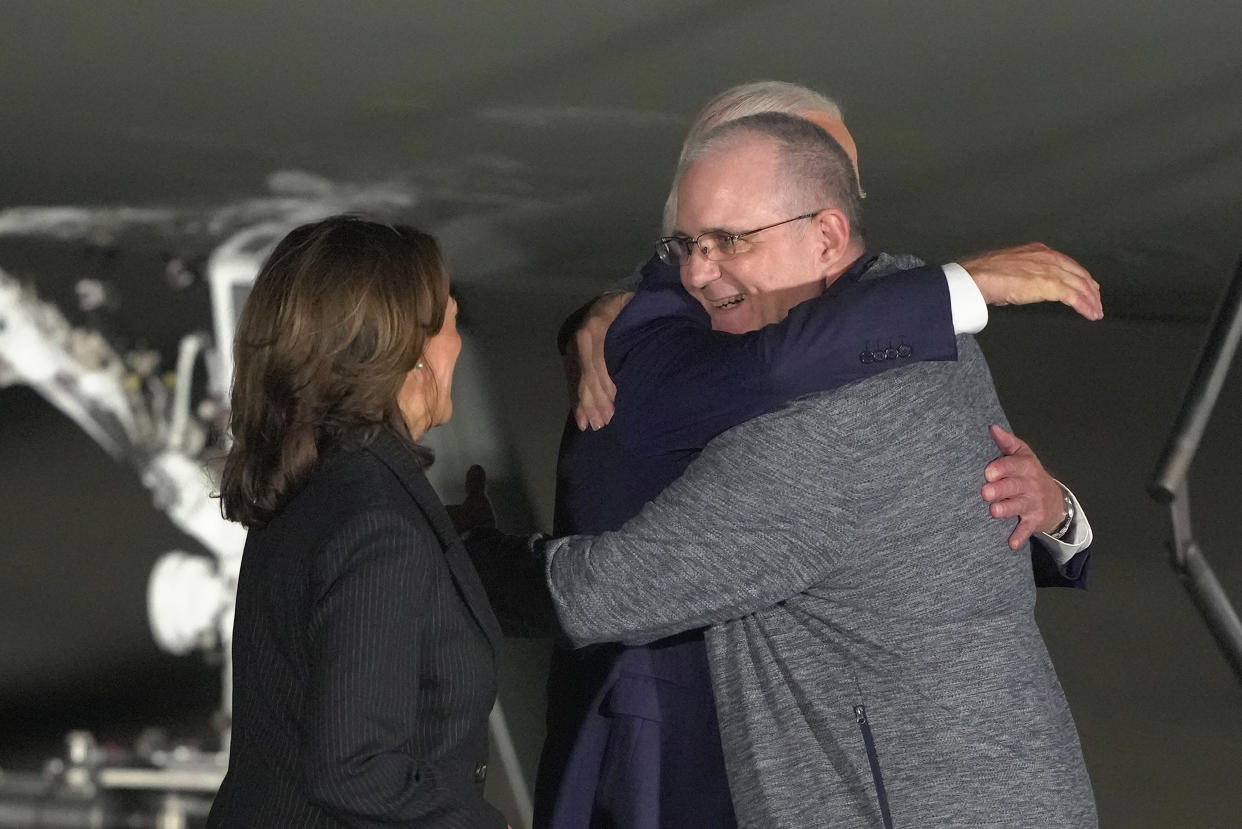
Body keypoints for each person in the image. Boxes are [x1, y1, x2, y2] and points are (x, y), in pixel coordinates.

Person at [534, 83, 1095, 828]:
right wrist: (957, 287)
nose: (848, 193)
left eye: (844, 174)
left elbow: (918, 514)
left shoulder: (898, 332)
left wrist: (1060, 514)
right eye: (703, 240)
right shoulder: (658, 327)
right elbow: (773, 371)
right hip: (679, 746)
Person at [208, 216, 508, 829]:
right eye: (451, 317)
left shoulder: (317, 483)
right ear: (409, 351)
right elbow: (355, 770)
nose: (458, 337)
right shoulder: (379, 524)